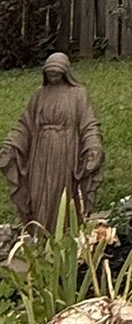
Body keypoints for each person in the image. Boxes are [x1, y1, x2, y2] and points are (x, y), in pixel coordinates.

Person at [0, 52, 104, 231]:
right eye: (50, 74)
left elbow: (89, 125)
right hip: (40, 154)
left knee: (60, 194)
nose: (53, 77)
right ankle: (40, 234)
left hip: (64, 153)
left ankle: (63, 235)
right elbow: (25, 124)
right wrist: (10, 145)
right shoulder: (39, 95)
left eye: (56, 74)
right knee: (38, 194)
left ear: (65, 73)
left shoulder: (78, 94)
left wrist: (93, 146)